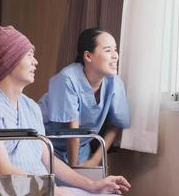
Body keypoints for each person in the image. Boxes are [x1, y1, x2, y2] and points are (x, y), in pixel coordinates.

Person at [0, 26, 131, 195]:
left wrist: (92, 185)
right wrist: (55, 191)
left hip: (40, 189)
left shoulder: (31, 107)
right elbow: (3, 169)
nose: (35, 61)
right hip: (11, 190)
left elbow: (48, 159)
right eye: (29, 55)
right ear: (9, 60)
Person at [39, 28, 130, 167]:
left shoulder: (115, 83)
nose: (115, 55)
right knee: (62, 185)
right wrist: (75, 168)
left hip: (80, 147)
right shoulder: (67, 79)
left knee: (88, 186)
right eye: (107, 50)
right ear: (88, 56)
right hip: (47, 144)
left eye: (115, 49)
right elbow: (72, 131)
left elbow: (116, 125)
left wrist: (95, 160)